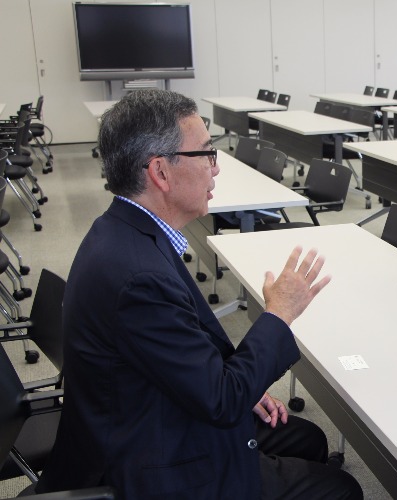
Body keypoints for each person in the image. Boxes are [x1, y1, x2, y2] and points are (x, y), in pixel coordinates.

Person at [36, 90, 362, 500]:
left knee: (307, 437)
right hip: (151, 463)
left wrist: (242, 377)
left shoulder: (126, 230)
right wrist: (278, 313)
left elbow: (183, 347)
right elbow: (222, 401)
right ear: (160, 172)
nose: (216, 169)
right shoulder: (138, 277)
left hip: (147, 405)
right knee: (342, 488)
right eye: (206, 153)